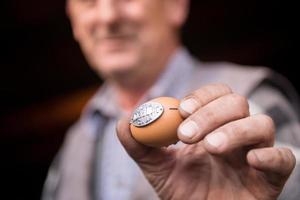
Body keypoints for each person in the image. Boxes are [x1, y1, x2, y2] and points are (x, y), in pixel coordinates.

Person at [42, 0, 300, 199]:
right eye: (89, 2)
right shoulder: (73, 144)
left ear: (176, 5)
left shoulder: (251, 98)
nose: (108, 16)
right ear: (73, 20)